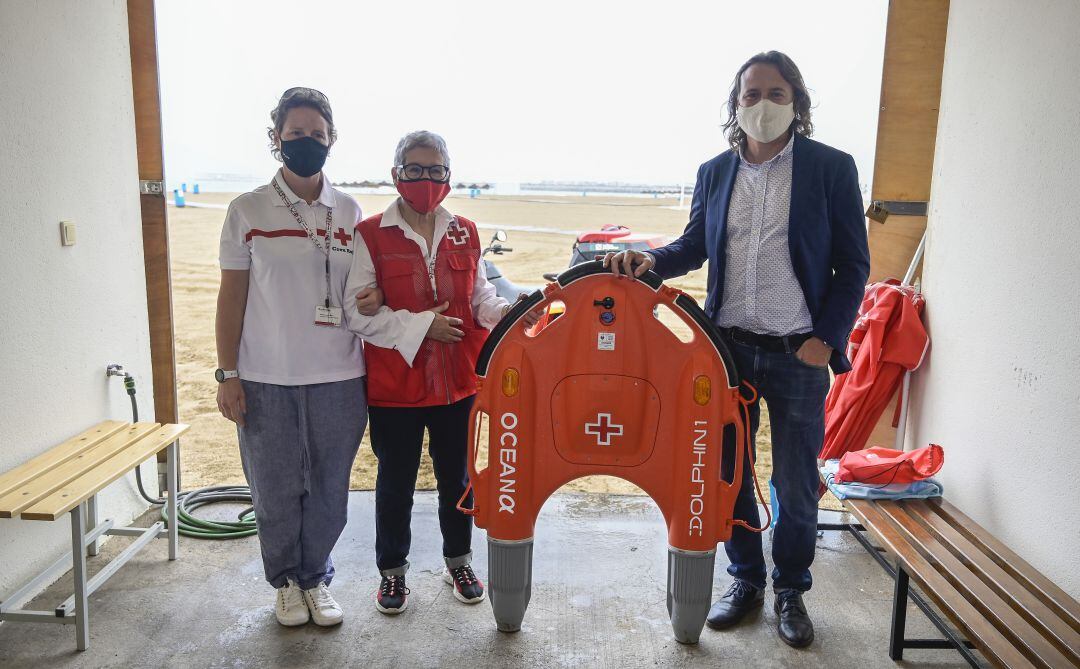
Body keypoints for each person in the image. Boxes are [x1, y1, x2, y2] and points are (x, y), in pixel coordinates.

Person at [604, 51, 870, 648]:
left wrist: (824, 341)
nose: (763, 104)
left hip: (799, 353)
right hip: (725, 353)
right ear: (736, 103)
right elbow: (693, 246)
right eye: (751, 93)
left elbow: (852, 263)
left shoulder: (831, 168)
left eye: (777, 93)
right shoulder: (716, 171)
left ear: (797, 103)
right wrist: (648, 259)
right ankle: (746, 580)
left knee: (798, 481)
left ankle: (791, 590)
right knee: (728, 474)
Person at [344, 130, 540, 615]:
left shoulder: (466, 232)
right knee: (395, 484)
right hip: (396, 387)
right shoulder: (370, 234)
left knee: (459, 479)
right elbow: (357, 314)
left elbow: (479, 302)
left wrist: (516, 311)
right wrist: (422, 325)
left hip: (458, 384)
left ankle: (460, 561)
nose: (425, 179)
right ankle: (392, 573)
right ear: (396, 175)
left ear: (449, 178)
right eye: (415, 169)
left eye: (436, 171)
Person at [215, 87, 380, 628]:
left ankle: (316, 577)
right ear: (275, 139)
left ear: (331, 140)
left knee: (331, 485)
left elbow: (364, 292)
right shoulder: (247, 211)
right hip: (266, 378)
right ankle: (285, 582)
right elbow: (231, 298)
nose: (306, 143)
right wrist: (228, 375)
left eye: (316, 134)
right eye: (295, 134)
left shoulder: (351, 212)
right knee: (275, 485)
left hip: (339, 375)